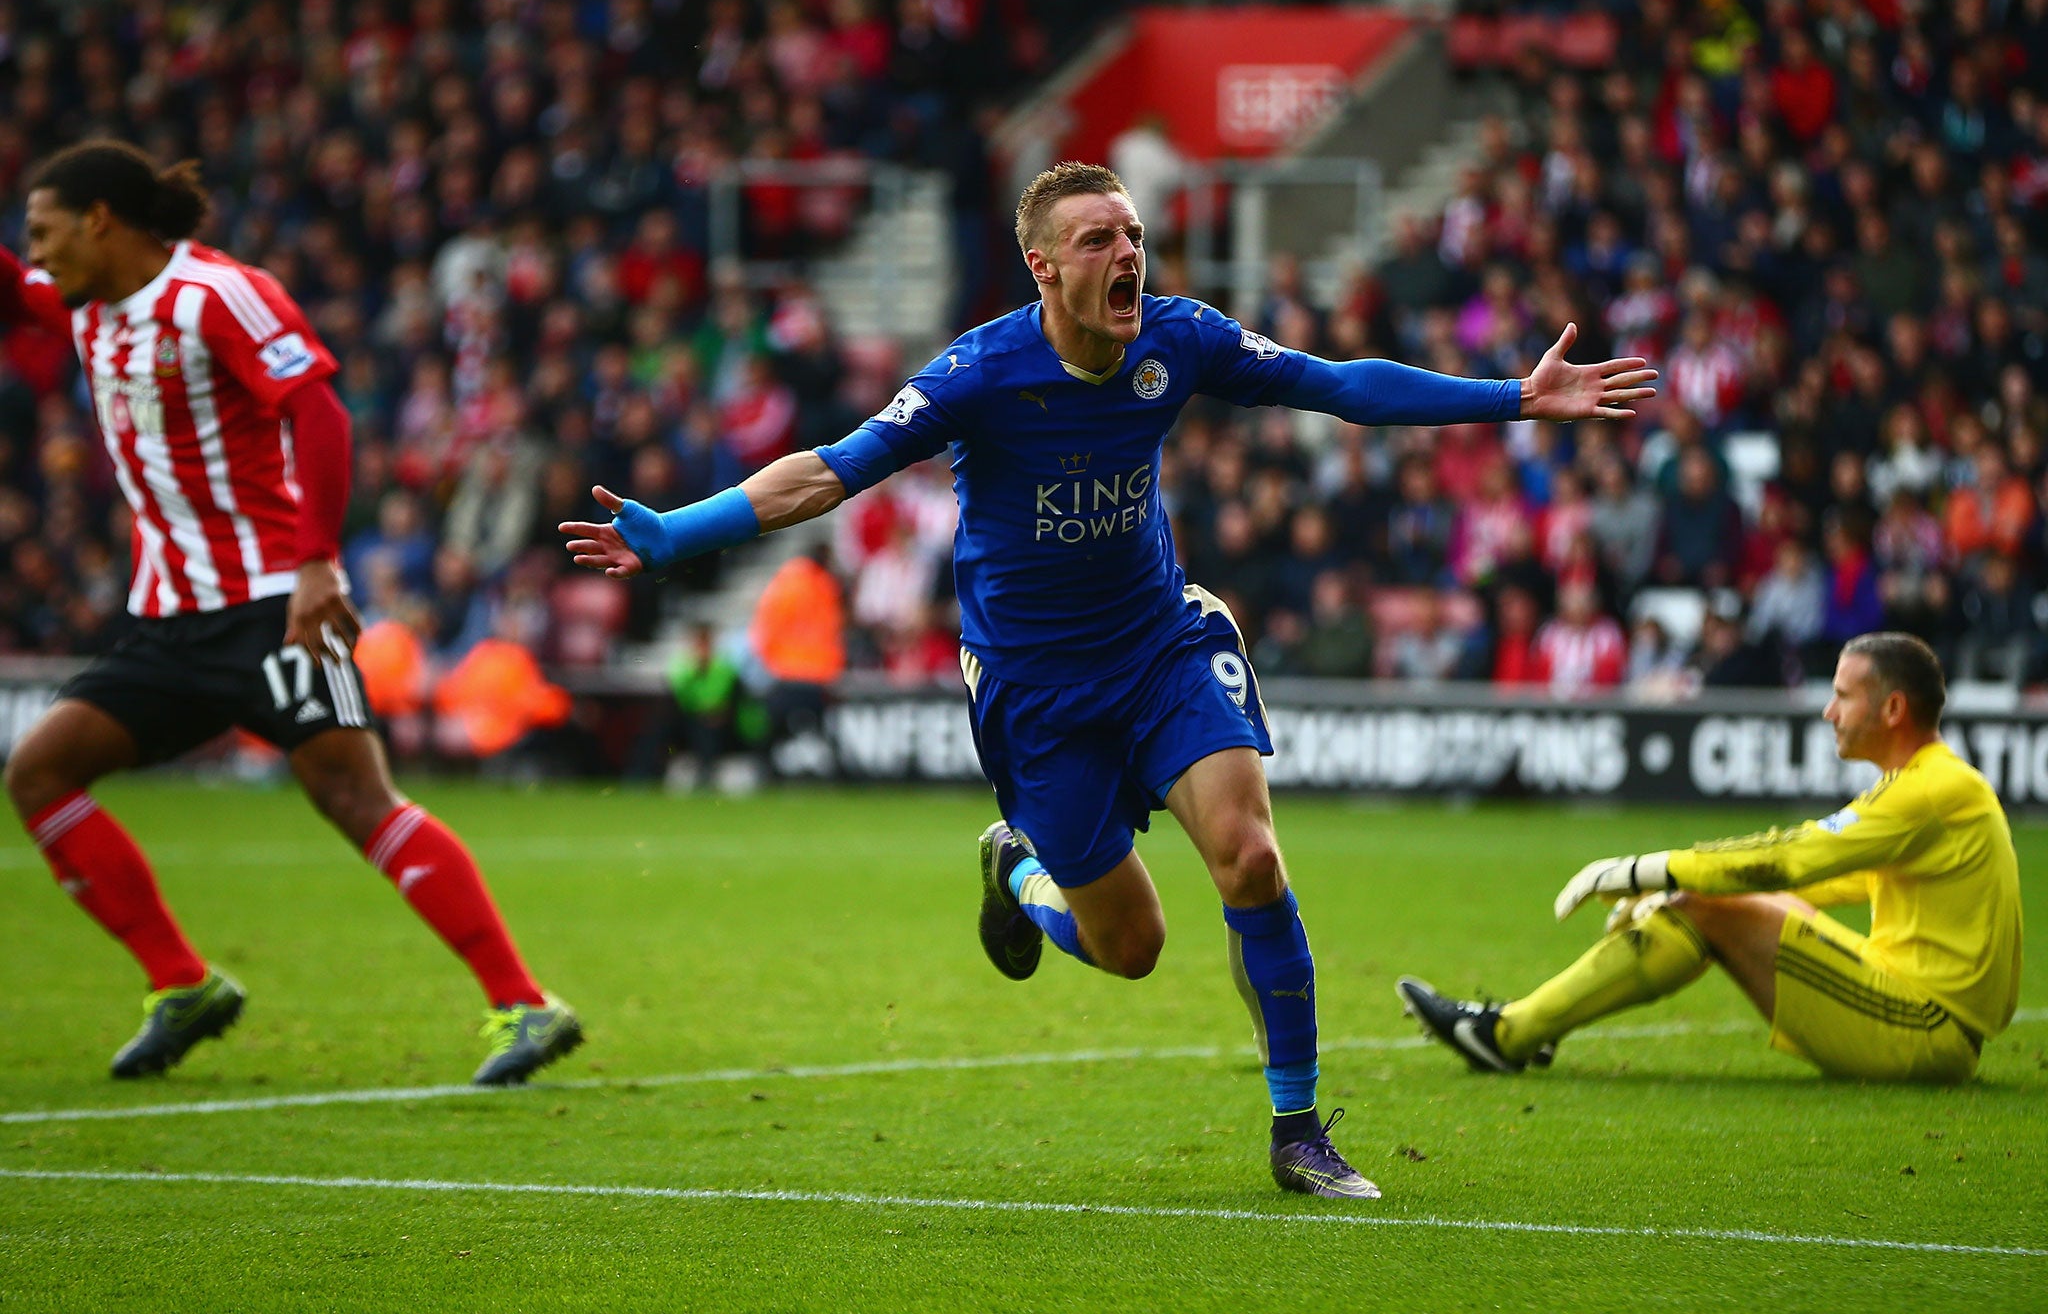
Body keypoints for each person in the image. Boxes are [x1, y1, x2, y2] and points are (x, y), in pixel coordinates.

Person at [562, 160, 1655, 1198]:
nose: (1127, 250)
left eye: (1133, 232)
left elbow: (1338, 386)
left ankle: (1297, 1130)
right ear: (1044, 268)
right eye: (1098, 239)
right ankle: (1020, 874)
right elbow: (829, 471)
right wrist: (680, 533)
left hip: (1159, 647)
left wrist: (1513, 396)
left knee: (1250, 860)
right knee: (1131, 949)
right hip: (1037, 692)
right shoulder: (977, 374)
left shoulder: (1177, 339)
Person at [5, 142, 579, 1085]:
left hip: (273, 605)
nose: (35, 251)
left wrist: (317, 561)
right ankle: (180, 983)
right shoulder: (84, 307)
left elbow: (320, 413)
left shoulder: (217, 295)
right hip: (167, 621)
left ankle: (523, 1003)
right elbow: (17, 294)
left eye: (44, 230)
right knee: (40, 774)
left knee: (354, 798)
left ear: (100, 217)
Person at [1398, 633, 2021, 1084]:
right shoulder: (1938, 783)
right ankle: (1517, 1028)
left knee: (1711, 905)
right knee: (1709, 901)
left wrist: (1648, 869)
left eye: (1842, 696)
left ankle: (1507, 1035)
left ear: (1892, 709)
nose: (1829, 711)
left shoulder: (1932, 789)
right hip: (1931, 1022)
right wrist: (1686, 890)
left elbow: (1792, 859)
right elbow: (1836, 878)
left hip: (1925, 1028)